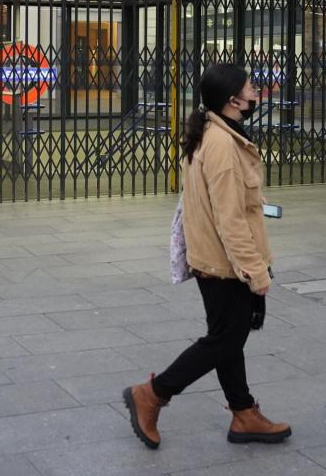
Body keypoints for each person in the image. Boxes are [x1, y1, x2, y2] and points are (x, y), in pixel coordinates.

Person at [123, 63, 291, 449]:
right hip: (223, 264)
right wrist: (256, 271)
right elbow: (230, 221)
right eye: (250, 87)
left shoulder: (214, 132)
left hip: (212, 258)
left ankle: (244, 413)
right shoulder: (221, 145)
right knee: (223, 342)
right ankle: (152, 393)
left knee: (228, 339)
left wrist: (253, 200)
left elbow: (219, 200)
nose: (256, 91)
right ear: (232, 99)